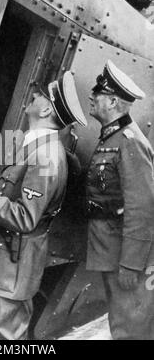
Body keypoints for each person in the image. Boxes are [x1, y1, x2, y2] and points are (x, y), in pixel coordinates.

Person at [0, 72, 87, 340]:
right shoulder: (38, 147)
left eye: (39, 95)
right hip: (10, 264)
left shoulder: (46, 157)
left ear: (46, 108)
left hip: (11, 266)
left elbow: (25, 218)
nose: (33, 96)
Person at [86, 60, 154, 340]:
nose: (91, 97)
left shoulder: (130, 141)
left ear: (113, 101)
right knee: (122, 324)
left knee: (131, 328)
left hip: (125, 256)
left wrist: (131, 264)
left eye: (97, 94)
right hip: (111, 249)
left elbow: (143, 208)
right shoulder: (110, 138)